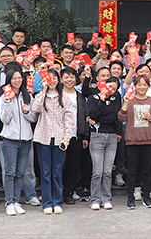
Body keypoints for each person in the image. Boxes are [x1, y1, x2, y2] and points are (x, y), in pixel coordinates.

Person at [30, 67, 74, 215]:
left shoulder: (65, 98)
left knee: (57, 172)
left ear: (59, 80)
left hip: (60, 139)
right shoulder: (41, 96)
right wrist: (43, 90)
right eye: (49, 78)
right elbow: (35, 108)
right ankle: (47, 203)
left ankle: (57, 202)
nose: (52, 81)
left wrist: (67, 138)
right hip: (43, 138)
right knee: (45, 172)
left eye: (54, 78)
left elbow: (69, 120)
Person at [0, 67, 38, 215]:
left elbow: (34, 118)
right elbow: (4, 119)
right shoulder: (4, 97)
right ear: (9, 80)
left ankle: (16, 201)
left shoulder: (28, 96)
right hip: (10, 139)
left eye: (19, 78)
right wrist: (8, 103)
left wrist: (26, 112)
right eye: (14, 78)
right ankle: (9, 202)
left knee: (21, 172)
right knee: (10, 172)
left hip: (26, 139)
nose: (17, 80)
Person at [118, 75, 151, 210]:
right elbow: (121, 117)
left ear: (148, 86)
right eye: (139, 84)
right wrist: (125, 103)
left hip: (148, 139)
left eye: (144, 84)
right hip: (132, 140)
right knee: (132, 170)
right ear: (134, 86)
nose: (142, 87)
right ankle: (130, 198)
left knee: (147, 170)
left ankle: (146, 197)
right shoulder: (130, 100)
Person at [87, 76, 122, 210]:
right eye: (109, 86)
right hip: (97, 136)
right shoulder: (93, 97)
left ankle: (106, 198)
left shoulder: (116, 97)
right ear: (104, 84)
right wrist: (101, 102)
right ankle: (95, 199)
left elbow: (115, 116)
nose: (111, 90)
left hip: (112, 136)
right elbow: (92, 114)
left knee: (107, 171)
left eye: (114, 89)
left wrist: (99, 119)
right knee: (97, 172)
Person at [59, 67, 89, 205]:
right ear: (61, 79)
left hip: (76, 136)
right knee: (60, 166)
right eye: (66, 77)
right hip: (60, 137)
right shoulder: (58, 95)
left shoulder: (80, 96)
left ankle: (69, 193)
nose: (69, 79)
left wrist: (85, 136)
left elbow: (84, 116)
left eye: (72, 76)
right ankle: (58, 193)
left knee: (73, 166)